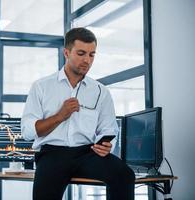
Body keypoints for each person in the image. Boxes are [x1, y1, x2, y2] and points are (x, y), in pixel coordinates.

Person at [21, 27, 135, 200]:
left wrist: (105, 145)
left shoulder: (100, 91)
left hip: (87, 154)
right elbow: (28, 132)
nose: (87, 60)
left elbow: (109, 128)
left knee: (124, 174)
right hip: (52, 154)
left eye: (91, 55)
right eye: (81, 53)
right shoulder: (41, 87)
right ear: (66, 53)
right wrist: (60, 115)